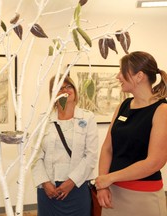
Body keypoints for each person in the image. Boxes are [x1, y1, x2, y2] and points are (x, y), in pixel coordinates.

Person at [95, 51, 167, 216]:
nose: (118, 76)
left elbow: (155, 162)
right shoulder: (123, 106)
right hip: (112, 194)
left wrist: (109, 178)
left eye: (122, 71)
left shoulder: (162, 110)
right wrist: (104, 184)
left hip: (143, 197)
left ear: (139, 76)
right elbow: (107, 148)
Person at [31, 74, 98, 216]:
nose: (66, 90)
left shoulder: (88, 118)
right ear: (53, 94)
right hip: (49, 190)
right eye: (60, 88)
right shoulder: (44, 119)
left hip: (77, 188)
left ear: (74, 89)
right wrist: (45, 183)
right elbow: (35, 155)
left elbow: (91, 155)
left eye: (68, 86)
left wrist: (71, 182)